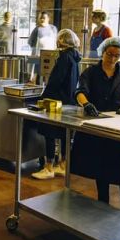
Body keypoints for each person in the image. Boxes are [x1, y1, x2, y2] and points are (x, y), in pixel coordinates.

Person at [71, 37, 120, 212]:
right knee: (100, 168)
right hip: (99, 128)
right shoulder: (90, 73)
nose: (112, 59)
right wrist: (86, 104)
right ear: (103, 52)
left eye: (116, 56)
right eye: (109, 54)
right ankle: (102, 203)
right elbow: (80, 91)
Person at [31, 29, 82, 180]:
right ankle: (63, 165)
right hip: (69, 102)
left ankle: (48, 168)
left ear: (62, 41)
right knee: (65, 134)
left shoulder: (64, 57)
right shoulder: (75, 57)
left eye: (59, 39)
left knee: (50, 134)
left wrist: (42, 97)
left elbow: (55, 81)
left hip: (56, 101)